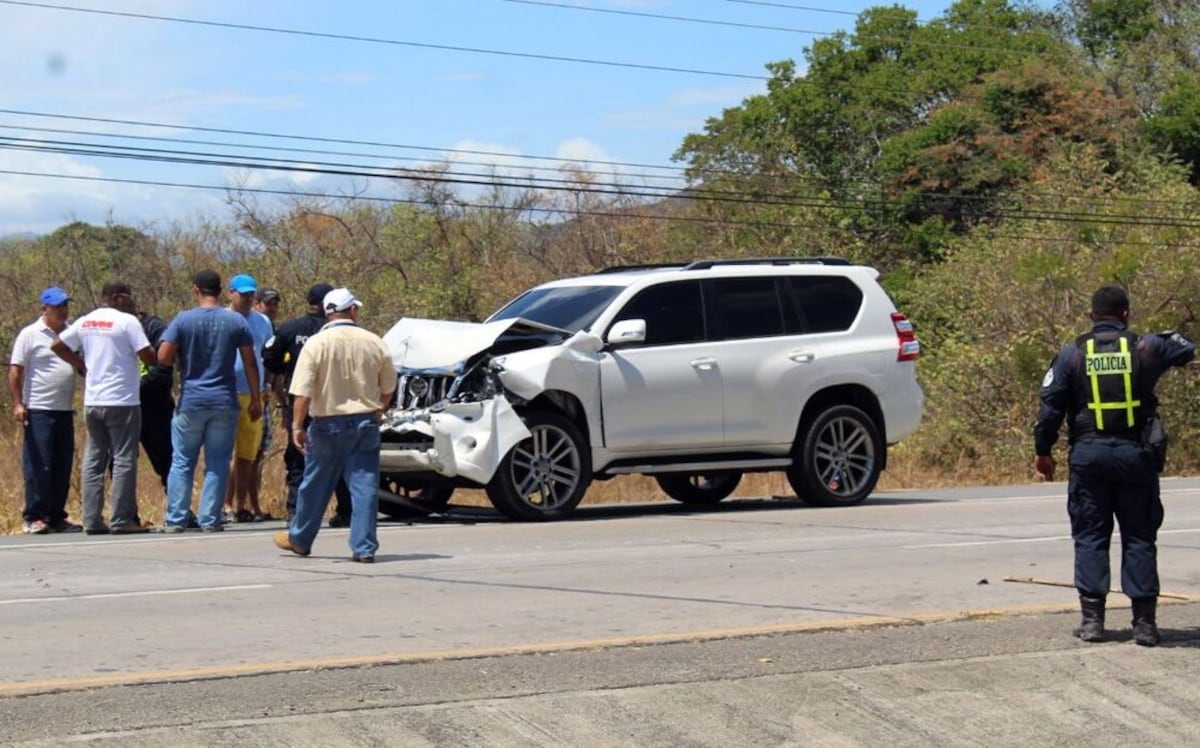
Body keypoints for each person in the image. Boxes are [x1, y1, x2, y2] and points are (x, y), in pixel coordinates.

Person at [1034, 285, 1195, 647]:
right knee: (1139, 536)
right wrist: (1166, 336)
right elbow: (1187, 348)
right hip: (1135, 455)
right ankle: (1145, 626)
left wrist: (1043, 451)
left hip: (1089, 456)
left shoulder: (1073, 354)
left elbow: (1050, 408)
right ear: (1126, 314)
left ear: (1092, 316)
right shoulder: (1145, 347)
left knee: (1090, 535)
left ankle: (1093, 622)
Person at [275, 287, 396, 562]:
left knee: (314, 484)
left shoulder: (316, 344)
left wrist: (296, 426)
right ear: (352, 310)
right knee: (364, 486)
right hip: (365, 422)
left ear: (328, 312)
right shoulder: (373, 341)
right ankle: (363, 547)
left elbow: (302, 392)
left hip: (326, 423)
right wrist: (379, 409)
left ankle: (301, 539)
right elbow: (389, 385)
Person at [156, 270, 262, 532]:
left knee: (182, 460)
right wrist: (256, 397)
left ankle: (177, 517)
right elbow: (250, 361)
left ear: (196, 290)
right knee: (217, 461)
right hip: (224, 400)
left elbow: (163, 357)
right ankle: (210, 518)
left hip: (192, 400)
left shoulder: (183, 320)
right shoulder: (236, 322)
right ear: (220, 291)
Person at [52, 281, 156, 535]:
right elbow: (147, 355)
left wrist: (80, 364)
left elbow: (57, 345)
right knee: (123, 459)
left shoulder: (86, 321)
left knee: (94, 459)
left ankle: (92, 519)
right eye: (129, 297)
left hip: (94, 400)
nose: (132, 302)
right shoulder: (127, 322)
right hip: (122, 400)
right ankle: (121, 519)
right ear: (118, 297)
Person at [262, 282, 352, 525]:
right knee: (340, 458)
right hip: (336, 403)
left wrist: (285, 371)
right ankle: (346, 511)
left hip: (300, 401)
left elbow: (269, 358)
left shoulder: (290, 329)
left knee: (299, 457)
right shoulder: (343, 333)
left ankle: (297, 513)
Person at [8, 287, 81, 534]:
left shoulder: (72, 333)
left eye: (65, 306)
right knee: (39, 464)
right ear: (44, 309)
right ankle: (34, 516)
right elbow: (16, 370)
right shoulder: (30, 334)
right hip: (39, 408)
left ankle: (56, 516)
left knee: (62, 464)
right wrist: (19, 403)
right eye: (58, 307)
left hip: (64, 409)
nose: (63, 311)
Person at [221, 274, 274, 523]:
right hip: (225, 393)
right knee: (222, 452)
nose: (248, 298)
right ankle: (223, 505)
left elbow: (266, 356)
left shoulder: (262, 321)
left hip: (254, 395)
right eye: (243, 294)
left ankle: (241, 505)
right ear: (230, 293)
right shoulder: (220, 318)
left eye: (251, 294)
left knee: (247, 455)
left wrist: (266, 391)